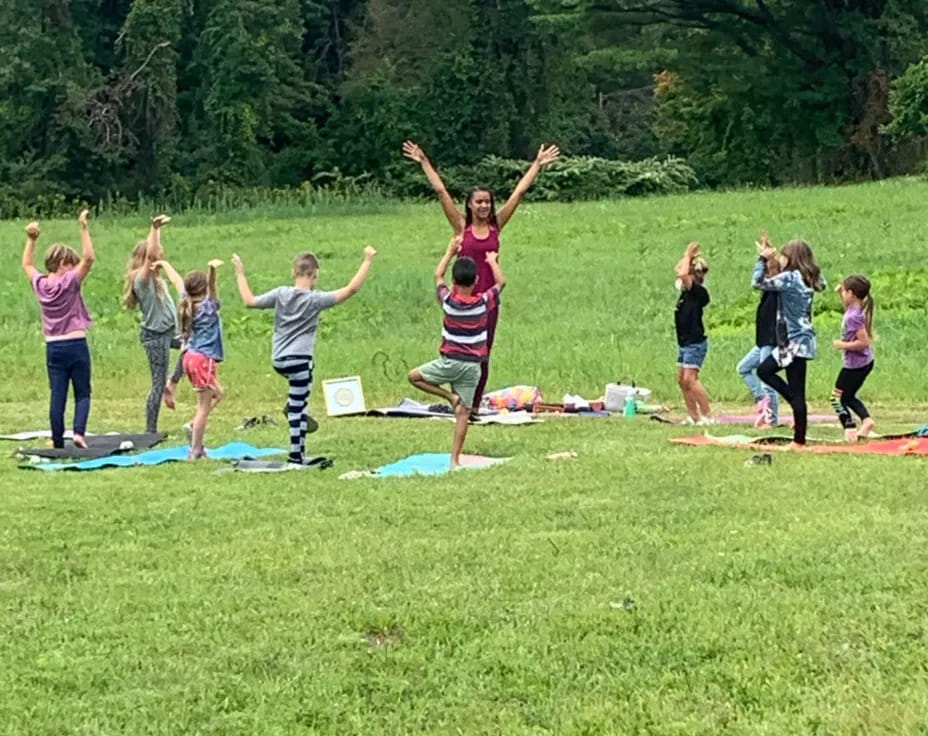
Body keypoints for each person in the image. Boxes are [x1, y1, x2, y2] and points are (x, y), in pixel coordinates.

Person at [403, 139, 559, 417]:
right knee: (456, 352)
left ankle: (471, 405)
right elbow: (441, 192)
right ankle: (458, 400)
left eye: (487, 201)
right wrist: (423, 161)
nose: (484, 206)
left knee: (482, 354)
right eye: (479, 202)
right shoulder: (461, 228)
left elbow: (518, 194)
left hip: (488, 302)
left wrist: (536, 165)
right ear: (470, 205)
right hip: (461, 301)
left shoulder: (497, 225)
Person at [231, 247, 377, 465]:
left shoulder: (281, 293)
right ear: (315, 274)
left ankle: (294, 411)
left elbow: (249, 301)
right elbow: (352, 289)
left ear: (294, 273)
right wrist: (367, 260)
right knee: (299, 407)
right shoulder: (316, 299)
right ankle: (296, 454)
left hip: (279, 360)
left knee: (298, 402)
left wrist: (240, 273)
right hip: (300, 361)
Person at [408, 234, 505, 469]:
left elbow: (437, 275)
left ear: (454, 281)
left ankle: (448, 397)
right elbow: (500, 284)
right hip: (473, 367)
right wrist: (492, 261)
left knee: (414, 377)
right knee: (463, 414)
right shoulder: (482, 302)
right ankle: (454, 459)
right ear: (476, 280)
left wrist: (450, 251)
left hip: (449, 362)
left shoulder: (449, 301)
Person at [22, 211, 95, 449]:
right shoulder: (70, 282)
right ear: (63, 265)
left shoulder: (41, 284)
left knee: (58, 395)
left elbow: (27, 264)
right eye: (71, 265)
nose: (75, 268)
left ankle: (57, 440)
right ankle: (78, 433)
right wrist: (83, 227)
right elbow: (89, 258)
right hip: (76, 343)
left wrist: (32, 239)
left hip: (53, 346)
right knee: (82, 392)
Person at [754, 238, 827, 449]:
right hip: (804, 340)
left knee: (764, 371)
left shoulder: (790, 278)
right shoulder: (810, 278)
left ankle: (795, 413)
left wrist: (762, 259)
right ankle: (799, 440)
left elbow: (758, 283)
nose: (782, 259)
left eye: (784, 255)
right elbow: (823, 283)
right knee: (796, 389)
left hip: (792, 342)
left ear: (791, 258)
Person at [122, 214, 183, 433]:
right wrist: (155, 228)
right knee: (156, 384)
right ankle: (150, 431)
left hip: (170, 331)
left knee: (194, 345)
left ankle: (172, 382)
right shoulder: (142, 280)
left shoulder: (157, 279)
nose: (160, 259)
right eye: (158, 256)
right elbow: (152, 254)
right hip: (155, 336)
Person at [176, 260, 225, 460]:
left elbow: (177, 281)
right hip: (203, 360)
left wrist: (163, 263)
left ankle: (193, 426)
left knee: (220, 394)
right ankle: (195, 450)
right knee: (203, 408)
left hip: (190, 357)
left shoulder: (186, 303)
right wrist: (212, 270)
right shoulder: (208, 308)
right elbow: (213, 288)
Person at [737, 232, 780, 428]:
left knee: (767, 378)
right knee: (744, 368)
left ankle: (771, 419)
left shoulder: (777, 287)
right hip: (762, 340)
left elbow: (757, 279)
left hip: (771, 339)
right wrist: (767, 252)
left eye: (769, 269)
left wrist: (763, 259)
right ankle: (761, 399)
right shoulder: (769, 291)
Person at [830, 275, 876, 442]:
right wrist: (841, 291)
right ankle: (867, 421)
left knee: (836, 399)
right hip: (861, 363)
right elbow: (847, 302)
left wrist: (842, 345)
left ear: (851, 294)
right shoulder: (853, 309)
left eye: (844, 291)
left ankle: (849, 429)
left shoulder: (853, 317)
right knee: (847, 397)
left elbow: (864, 342)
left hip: (855, 365)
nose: (841, 293)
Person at [674, 241, 714, 425]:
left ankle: (708, 415)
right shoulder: (685, 293)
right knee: (682, 380)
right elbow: (679, 270)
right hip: (684, 342)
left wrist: (688, 254)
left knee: (691, 379)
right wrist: (687, 258)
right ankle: (694, 416)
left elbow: (682, 273)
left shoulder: (698, 292)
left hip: (694, 343)